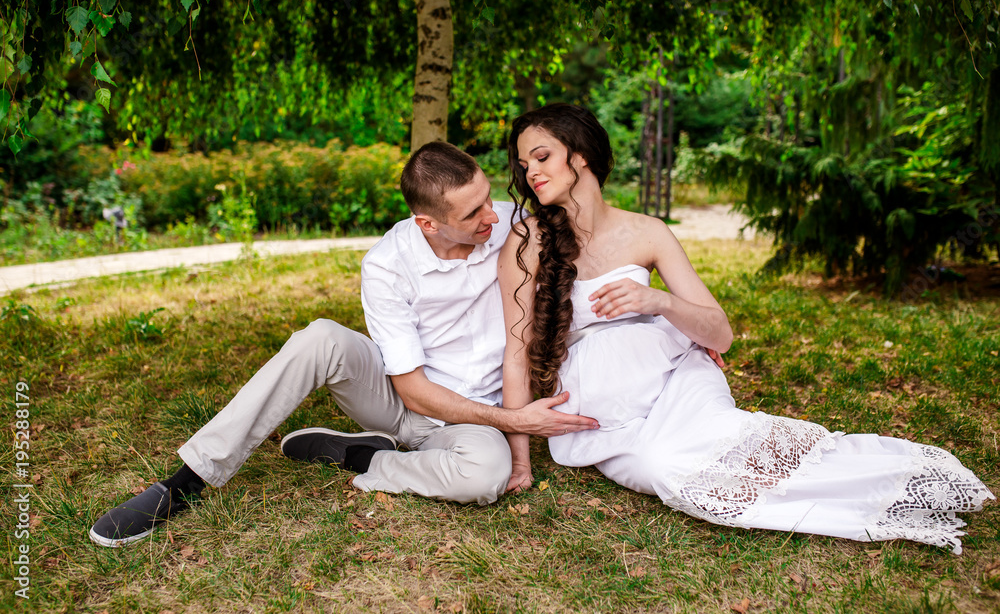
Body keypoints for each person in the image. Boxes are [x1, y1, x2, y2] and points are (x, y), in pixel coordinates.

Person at [498, 102, 995, 554]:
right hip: (604, 408)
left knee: (727, 440)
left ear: (581, 155)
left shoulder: (648, 232)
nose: (531, 172)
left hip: (673, 378)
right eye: (524, 164)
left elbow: (720, 334)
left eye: (542, 156)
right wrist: (521, 460)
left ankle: (908, 481)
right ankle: (885, 495)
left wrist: (659, 300)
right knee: (662, 467)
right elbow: (516, 353)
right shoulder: (527, 241)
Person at [89, 141, 598, 547]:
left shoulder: (513, 228)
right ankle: (186, 481)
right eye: (473, 213)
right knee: (320, 338)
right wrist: (515, 420)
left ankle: (364, 458)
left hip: (473, 422)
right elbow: (414, 392)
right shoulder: (387, 265)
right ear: (428, 223)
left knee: (485, 477)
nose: (492, 215)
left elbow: (595, 228)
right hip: (404, 402)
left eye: (488, 197)